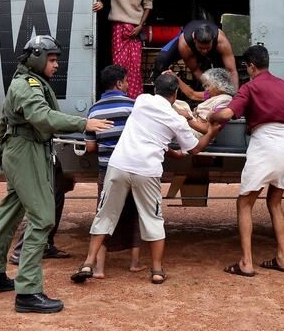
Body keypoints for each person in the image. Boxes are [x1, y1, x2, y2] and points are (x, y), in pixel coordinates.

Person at [0, 35, 113, 314]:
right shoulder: (28, 85)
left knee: (9, 213)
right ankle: (28, 291)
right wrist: (83, 123)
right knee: (42, 217)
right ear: (38, 58)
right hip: (26, 151)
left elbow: (7, 121)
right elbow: (42, 118)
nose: (55, 65)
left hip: (22, 150)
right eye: (51, 60)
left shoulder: (26, 82)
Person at [71, 74, 221, 285]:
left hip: (119, 164)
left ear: (154, 89)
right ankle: (157, 270)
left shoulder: (141, 100)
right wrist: (211, 132)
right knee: (152, 218)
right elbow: (195, 148)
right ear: (175, 94)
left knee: (105, 214)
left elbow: (148, 130)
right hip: (147, 169)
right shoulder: (176, 120)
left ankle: (88, 263)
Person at [208, 45, 284, 277]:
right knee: (274, 203)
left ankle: (246, 262)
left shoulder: (250, 87)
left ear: (251, 66)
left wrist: (210, 114)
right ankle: (282, 258)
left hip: (265, 145)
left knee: (244, 204)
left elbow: (226, 114)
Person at [83, 65, 145, 278]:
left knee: (104, 215)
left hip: (107, 171)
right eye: (127, 81)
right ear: (119, 83)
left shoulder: (94, 110)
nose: (128, 85)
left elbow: (90, 147)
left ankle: (99, 268)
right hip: (133, 169)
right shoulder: (134, 106)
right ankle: (135, 263)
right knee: (134, 214)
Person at [93, 0, 153, 99]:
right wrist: (98, 0)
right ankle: (118, 98)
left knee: (135, 69)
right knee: (119, 67)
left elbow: (148, 4)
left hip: (136, 28)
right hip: (119, 27)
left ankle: (133, 100)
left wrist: (140, 25)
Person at [8, 157, 71, 265]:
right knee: (44, 204)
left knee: (56, 198)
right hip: (38, 156)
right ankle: (21, 250)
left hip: (50, 156)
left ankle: (45, 245)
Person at [153, 20, 239, 90]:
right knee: (161, 60)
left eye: (207, 48)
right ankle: (159, 94)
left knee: (224, 71)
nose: (204, 51)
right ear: (195, 40)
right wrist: (213, 88)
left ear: (212, 40)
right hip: (186, 43)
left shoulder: (221, 41)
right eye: (201, 48)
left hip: (215, 51)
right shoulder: (185, 43)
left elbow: (232, 71)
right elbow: (195, 70)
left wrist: (234, 95)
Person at [168, 67, 236, 139]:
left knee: (167, 107)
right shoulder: (213, 94)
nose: (206, 89)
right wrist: (176, 78)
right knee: (175, 103)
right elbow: (192, 94)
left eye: (208, 85)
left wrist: (188, 119)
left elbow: (208, 130)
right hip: (194, 122)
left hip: (197, 133)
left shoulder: (225, 100)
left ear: (219, 86)